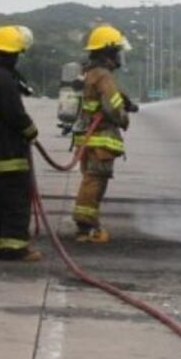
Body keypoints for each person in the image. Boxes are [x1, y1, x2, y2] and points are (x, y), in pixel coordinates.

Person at [72, 24, 136, 243]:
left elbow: (107, 98)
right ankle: (86, 228)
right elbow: (111, 108)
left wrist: (124, 100)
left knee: (89, 180)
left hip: (87, 137)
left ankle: (87, 225)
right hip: (100, 140)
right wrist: (124, 117)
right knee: (95, 181)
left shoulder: (89, 72)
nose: (120, 56)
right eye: (117, 51)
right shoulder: (104, 75)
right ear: (108, 52)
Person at [0, 25, 42, 262]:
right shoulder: (3, 79)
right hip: (7, 152)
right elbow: (14, 114)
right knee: (15, 200)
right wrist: (31, 132)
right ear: (13, 53)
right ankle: (16, 248)